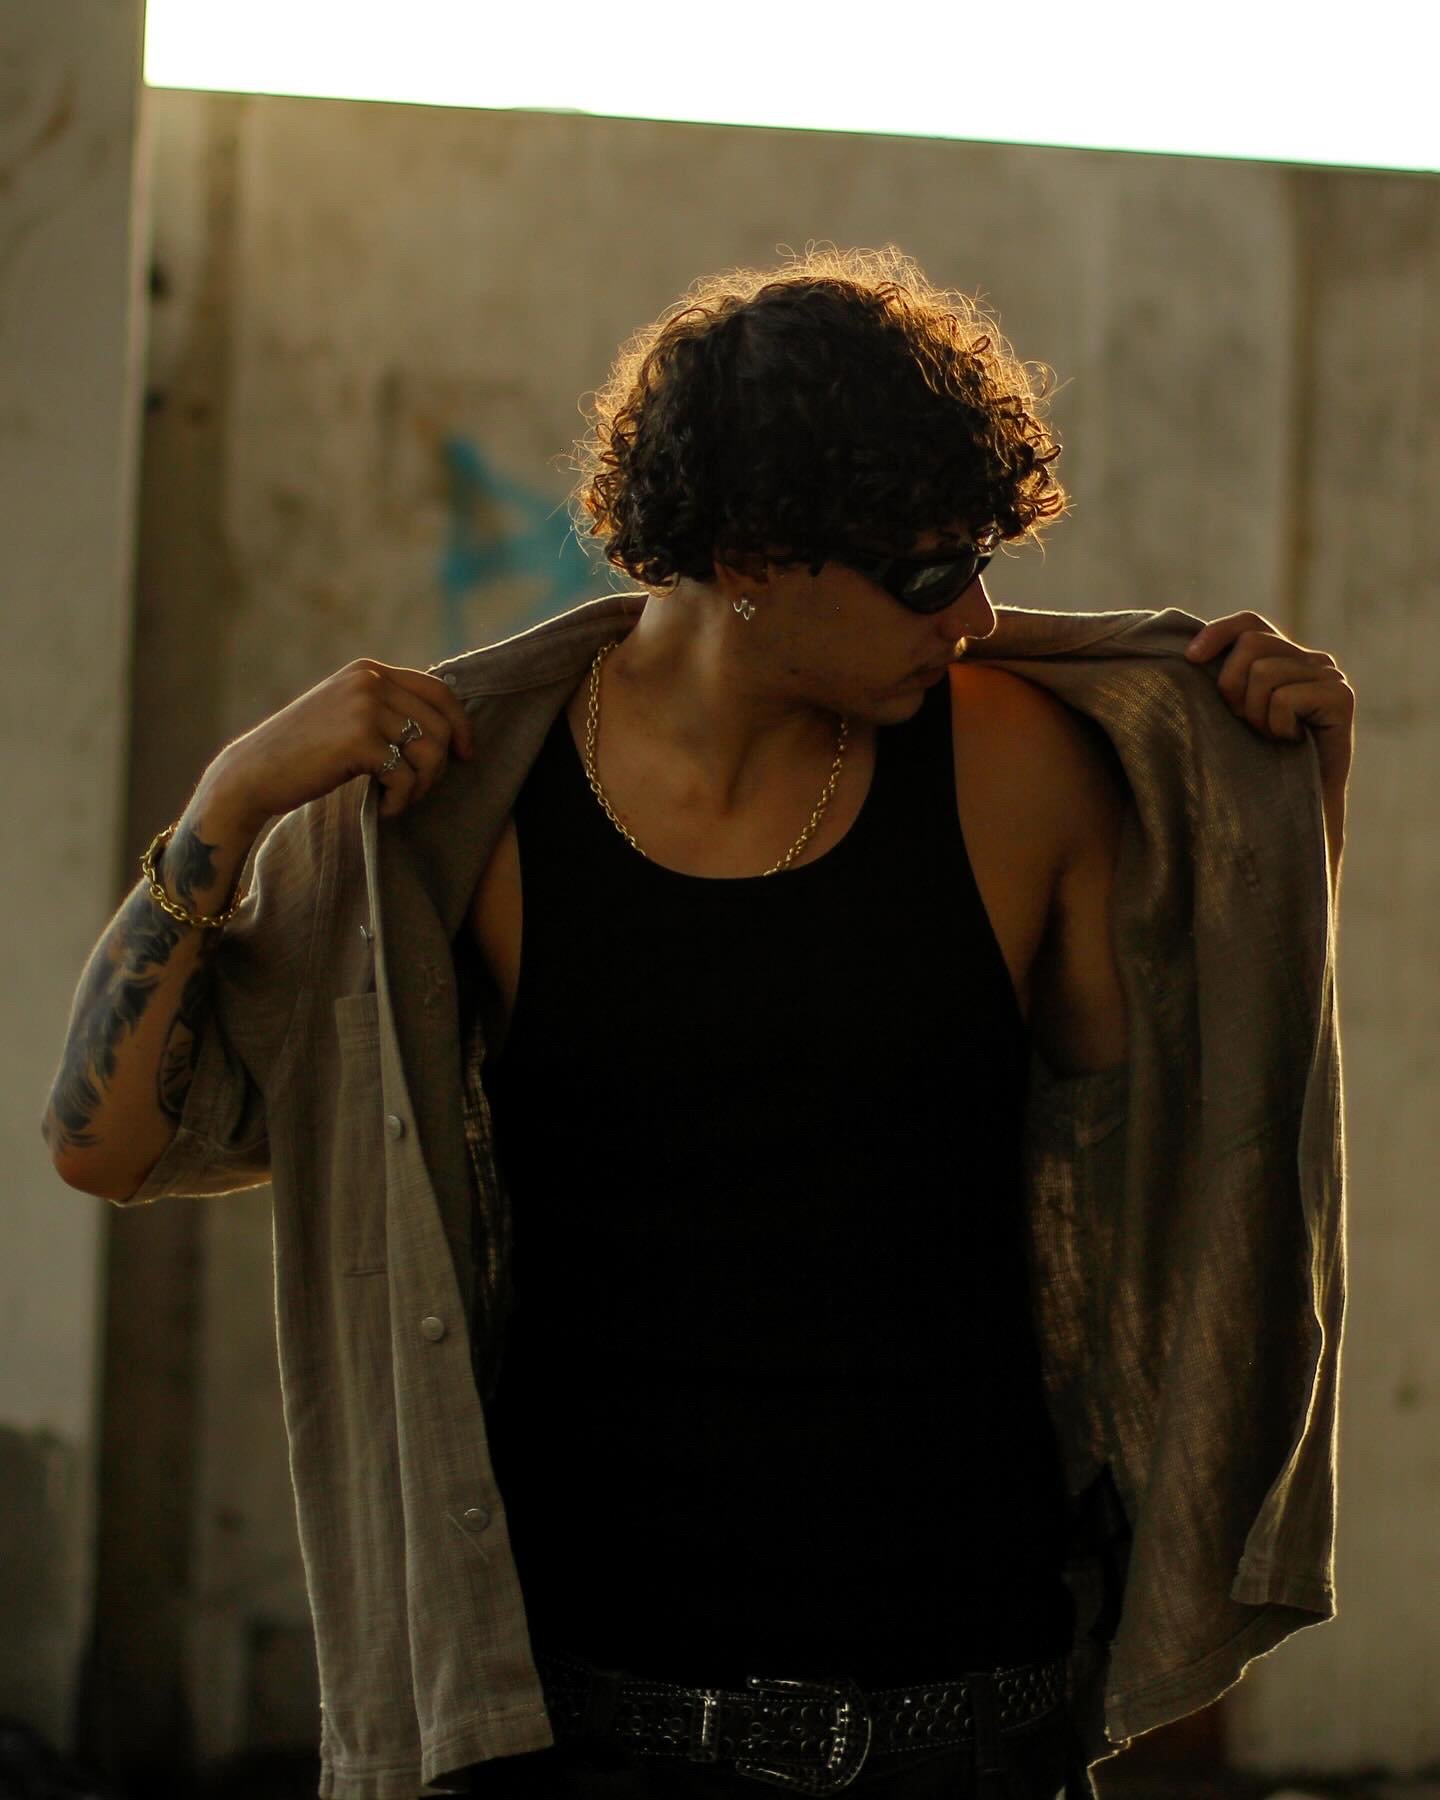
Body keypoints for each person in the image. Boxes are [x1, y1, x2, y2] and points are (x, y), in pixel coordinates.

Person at [42, 247, 1353, 1800]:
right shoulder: (462, 823)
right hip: (583, 1726)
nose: (976, 615)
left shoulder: (1017, 776)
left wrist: (1291, 811)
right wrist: (225, 806)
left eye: (982, 559)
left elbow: (1190, 1142)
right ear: (749, 556)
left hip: (961, 1718)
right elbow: (108, 1144)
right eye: (926, 574)